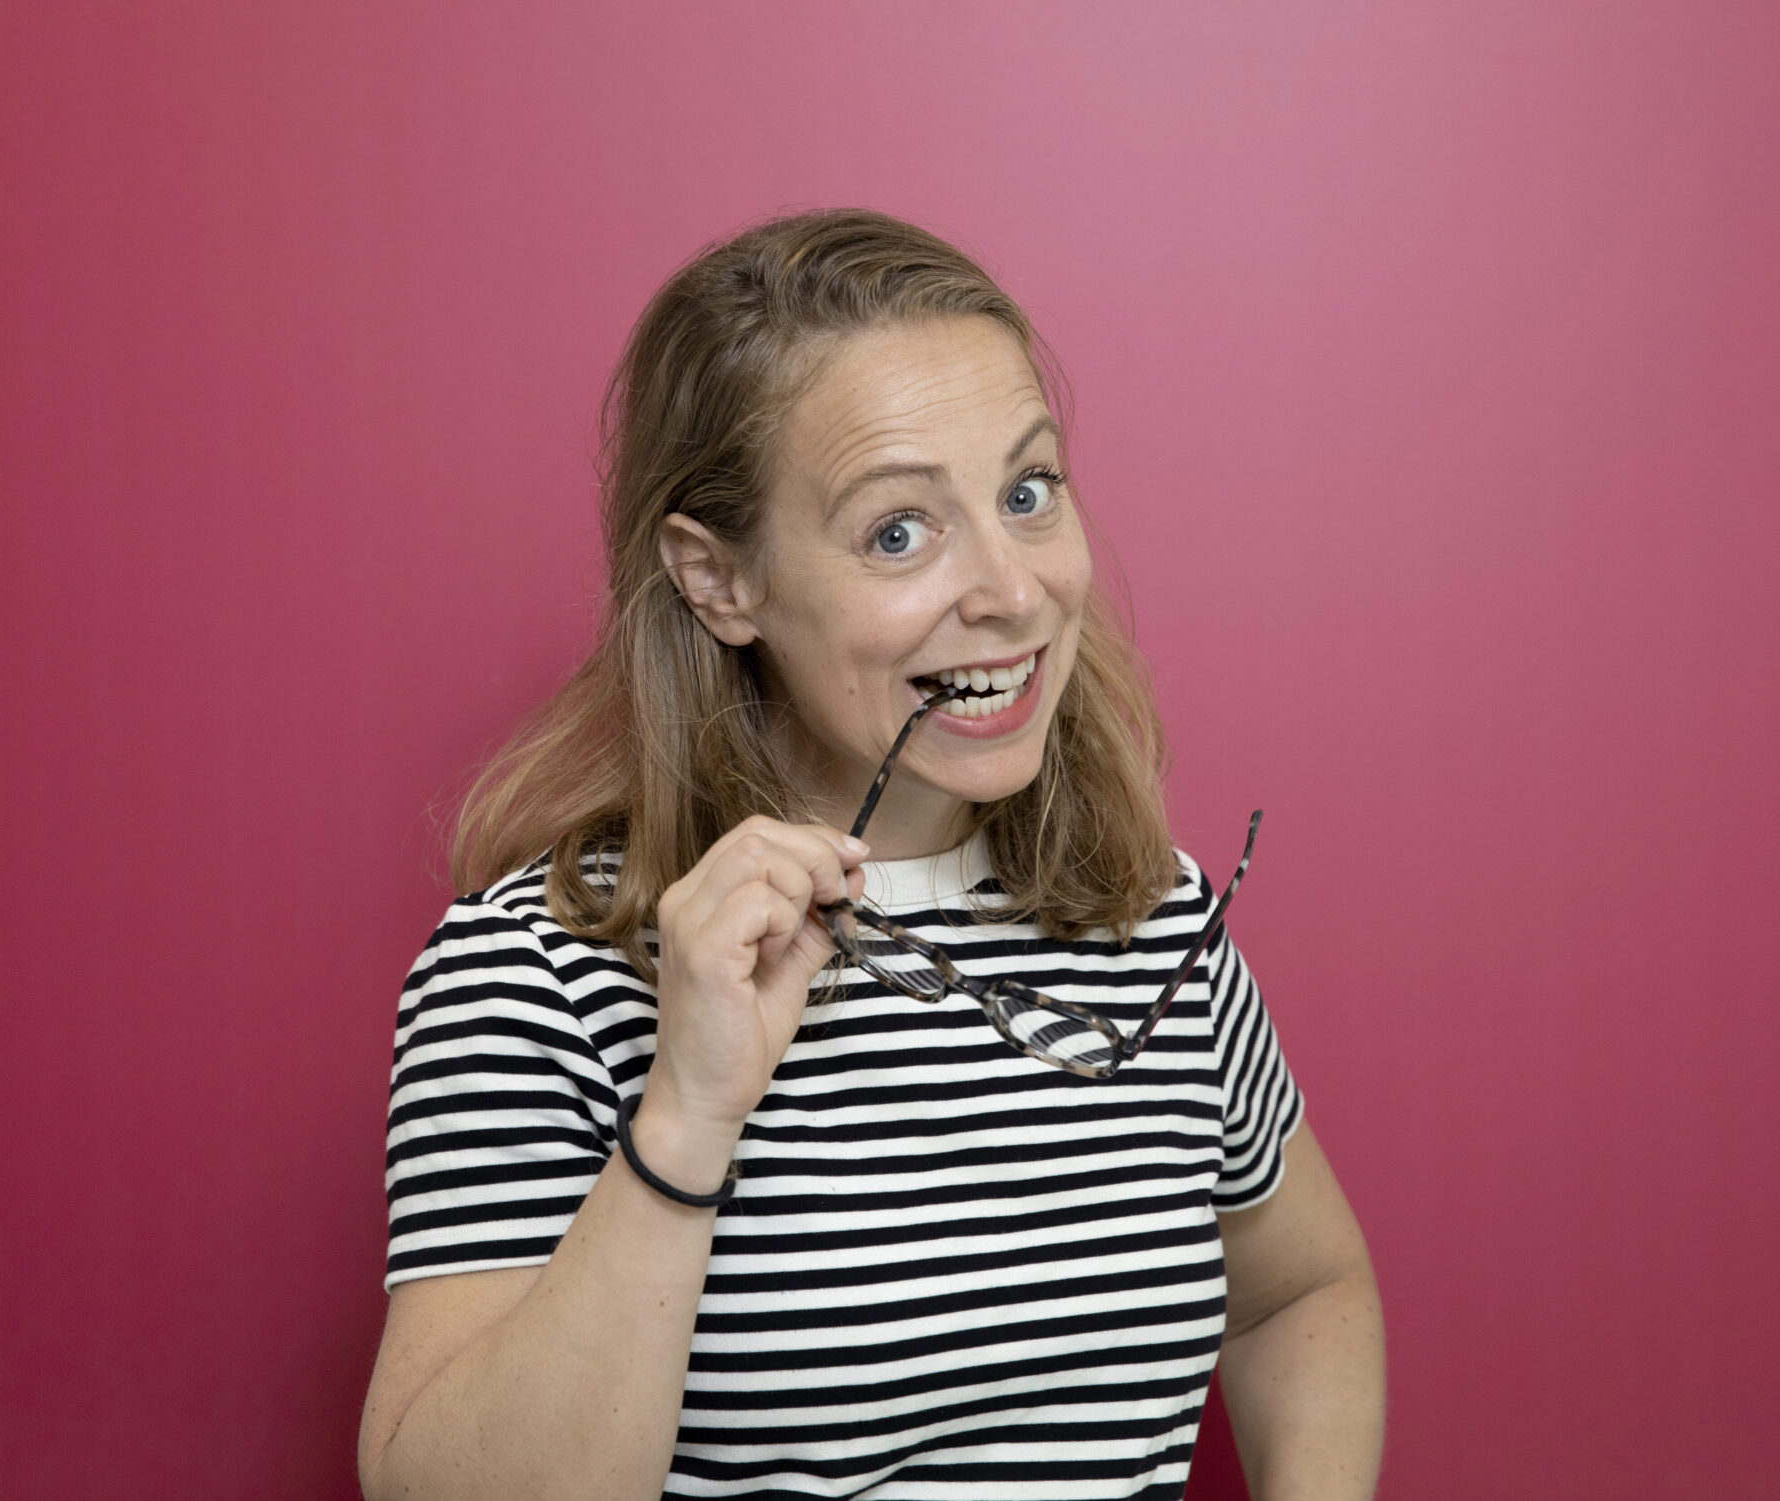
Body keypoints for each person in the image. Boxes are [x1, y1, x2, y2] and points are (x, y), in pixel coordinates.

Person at [356, 209, 1385, 1501]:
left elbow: (1304, 1289)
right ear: (719, 581)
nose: (1013, 592)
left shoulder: (1153, 918)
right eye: (899, 531)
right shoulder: (537, 980)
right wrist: (688, 1113)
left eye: (1027, 492)